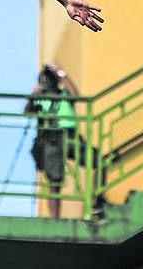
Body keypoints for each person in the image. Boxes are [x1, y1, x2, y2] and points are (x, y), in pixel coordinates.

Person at [26, 62, 105, 218]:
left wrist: (62, 73)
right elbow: (28, 112)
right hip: (51, 139)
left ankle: (97, 201)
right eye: (44, 79)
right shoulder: (40, 98)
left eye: (50, 78)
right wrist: (32, 97)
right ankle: (55, 218)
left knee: (98, 161)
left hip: (70, 137)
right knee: (54, 180)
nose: (47, 82)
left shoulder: (64, 95)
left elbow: (75, 94)